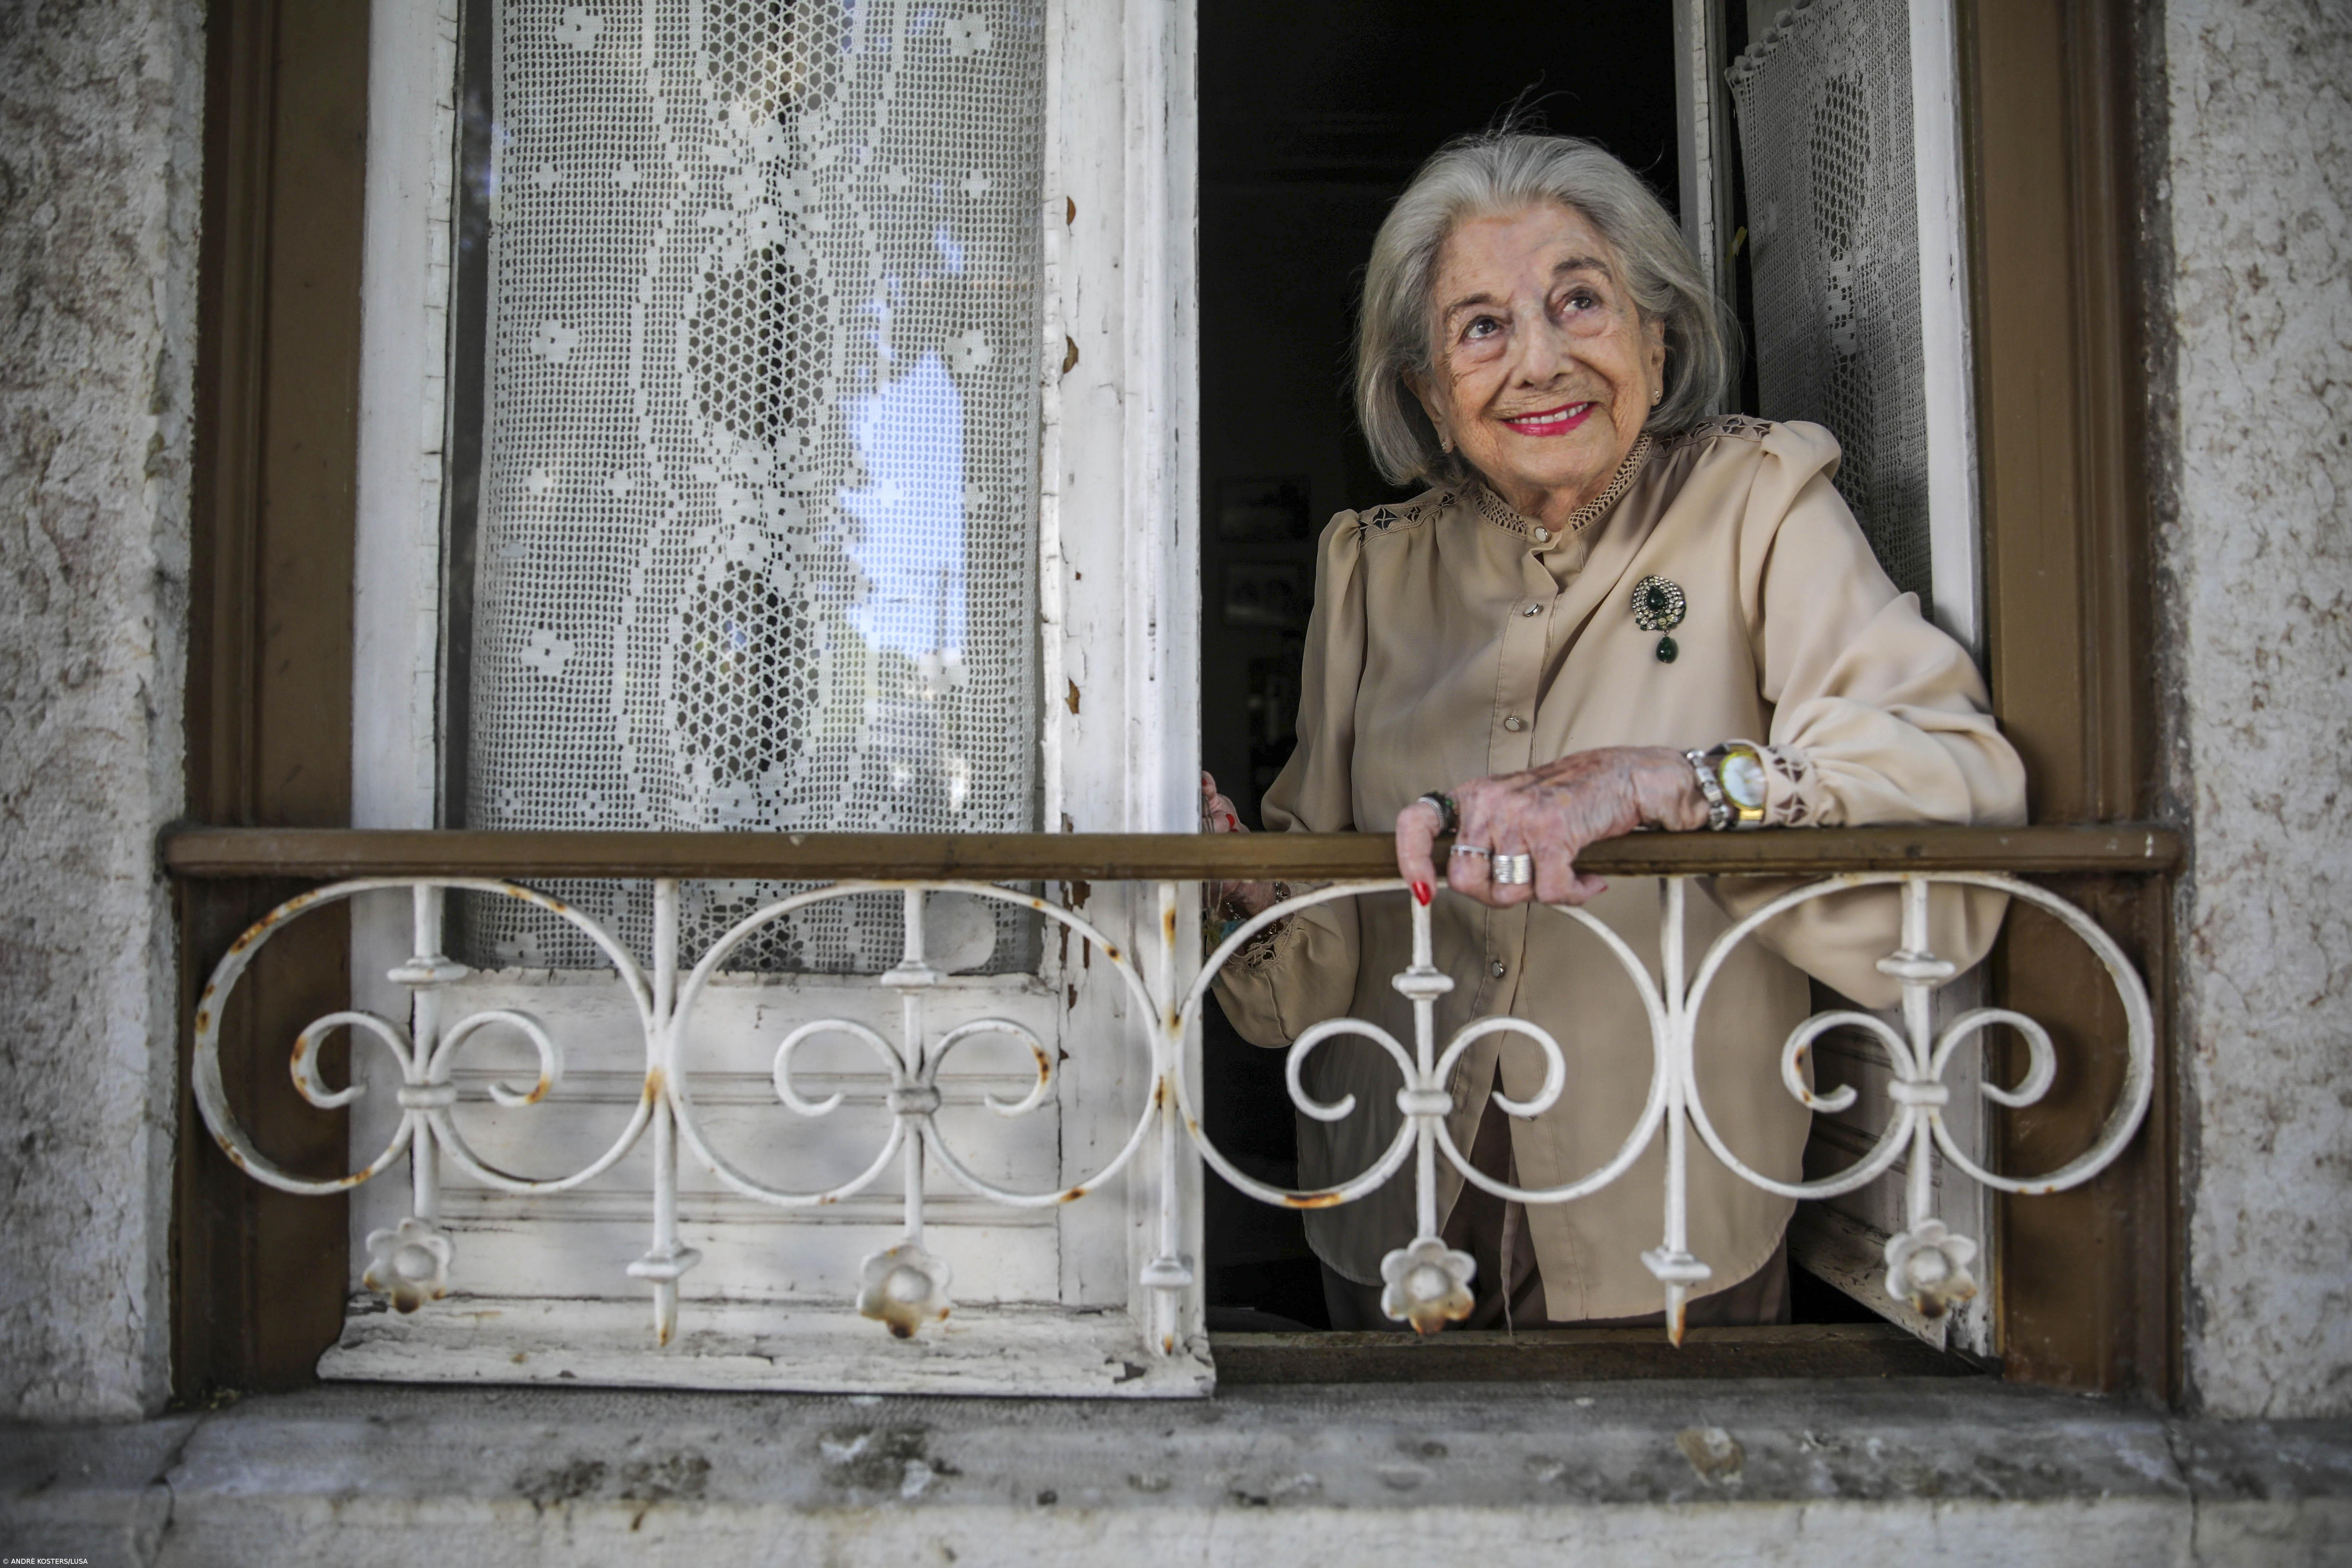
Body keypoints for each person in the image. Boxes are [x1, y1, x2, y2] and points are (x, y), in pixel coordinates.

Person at [1204, 131, 2026, 1331]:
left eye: (1578, 301)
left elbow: (1941, 789)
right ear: (1429, 392)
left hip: (1672, 1216)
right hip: (1391, 1203)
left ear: (1655, 334)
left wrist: (1661, 782)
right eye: (1479, 326)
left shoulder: (1757, 503)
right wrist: (1236, 884)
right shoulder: (1369, 574)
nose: (1539, 361)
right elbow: (1308, 972)